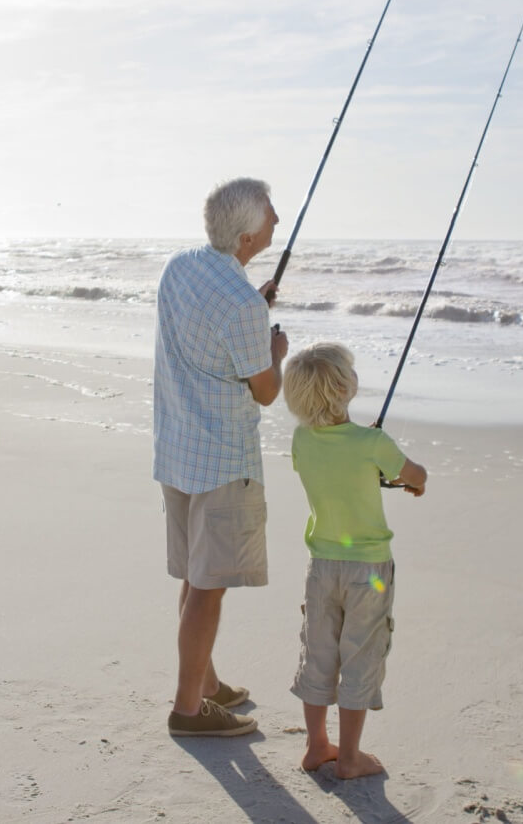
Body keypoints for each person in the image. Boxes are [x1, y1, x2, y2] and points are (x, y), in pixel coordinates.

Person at [154, 177, 289, 738]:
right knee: (208, 587)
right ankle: (189, 709)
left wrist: (251, 313)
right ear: (250, 232)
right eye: (270, 216)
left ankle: (205, 684)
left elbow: (211, 328)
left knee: (194, 573)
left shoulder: (181, 267)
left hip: (177, 444)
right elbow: (264, 390)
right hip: (221, 458)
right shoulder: (242, 306)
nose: (277, 221)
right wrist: (275, 352)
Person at [281, 341, 428, 778]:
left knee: (319, 653)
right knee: (361, 654)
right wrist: (413, 481)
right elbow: (414, 474)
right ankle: (349, 757)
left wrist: (356, 441)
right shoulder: (373, 442)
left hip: (322, 567)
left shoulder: (301, 439)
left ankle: (316, 747)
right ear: (347, 387)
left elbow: (333, 460)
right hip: (370, 572)